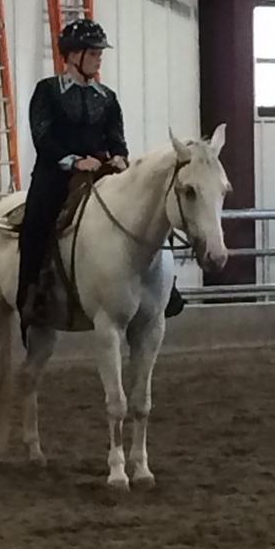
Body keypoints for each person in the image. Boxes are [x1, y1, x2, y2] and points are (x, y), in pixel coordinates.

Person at [16, 17, 184, 343]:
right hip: (57, 174)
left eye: (99, 53)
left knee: (147, 212)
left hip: (102, 171)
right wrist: (75, 160)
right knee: (36, 221)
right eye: (93, 53)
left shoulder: (106, 97)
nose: (98, 58)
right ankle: (31, 293)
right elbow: (43, 138)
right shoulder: (47, 91)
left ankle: (166, 288)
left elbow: (117, 138)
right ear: (73, 55)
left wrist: (119, 156)